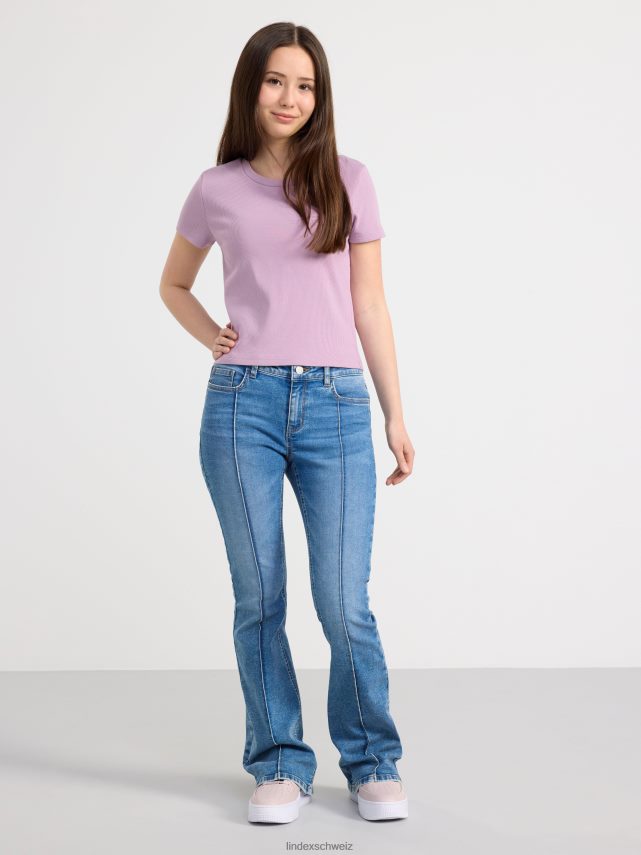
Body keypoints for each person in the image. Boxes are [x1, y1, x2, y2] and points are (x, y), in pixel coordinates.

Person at [159, 22, 415, 825]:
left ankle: (371, 759)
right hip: (242, 405)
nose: (289, 98)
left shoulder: (349, 179)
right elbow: (173, 284)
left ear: (319, 96)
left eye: (305, 85)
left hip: (337, 404)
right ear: (251, 86)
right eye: (276, 80)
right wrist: (213, 335)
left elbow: (368, 305)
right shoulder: (217, 188)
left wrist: (395, 412)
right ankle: (277, 760)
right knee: (259, 595)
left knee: (343, 599)